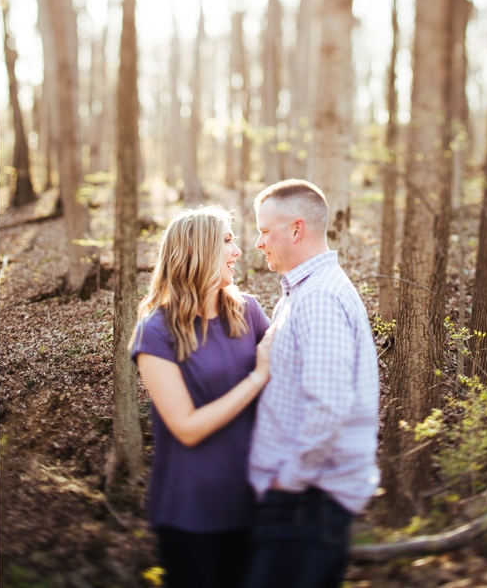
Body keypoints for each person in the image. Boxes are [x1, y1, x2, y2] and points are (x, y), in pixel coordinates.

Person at [132, 206, 277, 588]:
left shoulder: (249, 312)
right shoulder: (156, 333)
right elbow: (186, 428)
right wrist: (257, 377)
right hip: (190, 512)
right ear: (197, 252)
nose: (238, 251)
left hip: (253, 503)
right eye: (227, 241)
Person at [245, 179, 380, 588]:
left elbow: (328, 405)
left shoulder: (319, 297)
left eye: (265, 231)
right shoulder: (300, 293)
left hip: (306, 502)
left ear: (297, 230)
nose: (257, 242)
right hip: (305, 500)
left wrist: (287, 480)